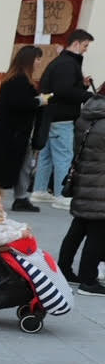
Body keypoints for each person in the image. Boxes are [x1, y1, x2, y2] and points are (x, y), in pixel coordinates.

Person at [0, 46, 44, 210]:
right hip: (12, 133)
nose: (39, 63)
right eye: (37, 59)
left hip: (11, 132)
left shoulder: (15, 79)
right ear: (29, 60)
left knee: (23, 164)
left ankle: (21, 197)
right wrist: (39, 101)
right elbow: (19, 104)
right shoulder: (19, 80)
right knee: (0, 167)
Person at [34, 28, 95, 204]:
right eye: (85, 45)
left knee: (46, 155)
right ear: (75, 44)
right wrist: (89, 96)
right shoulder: (68, 64)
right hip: (62, 117)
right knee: (63, 156)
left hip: (51, 115)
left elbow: (63, 88)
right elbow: (64, 90)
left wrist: (81, 86)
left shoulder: (61, 62)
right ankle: (61, 195)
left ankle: (39, 190)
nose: (86, 49)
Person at [62, 93, 105, 295]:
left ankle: (63, 269)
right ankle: (88, 280)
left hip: (84, 179)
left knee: (78, 227)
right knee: (98, 232)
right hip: (100, 185)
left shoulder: (86, 115)